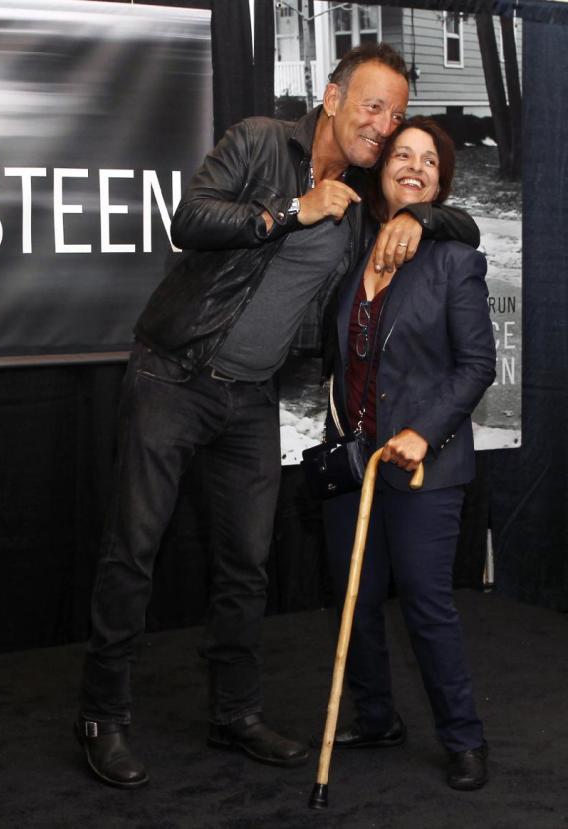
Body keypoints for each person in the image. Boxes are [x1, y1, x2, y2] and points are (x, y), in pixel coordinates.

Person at [75, 44, 480, 789]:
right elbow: (189, 218)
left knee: (246, 565)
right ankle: (103, 714)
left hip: (250, 399)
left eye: (394, 113)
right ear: (332, 99)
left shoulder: (363, 204)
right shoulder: (260, 140)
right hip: (174, 374)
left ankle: (234, 712)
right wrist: (291, 210)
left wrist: (423, 218)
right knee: (133, 549)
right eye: (373, 105)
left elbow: (465, 230)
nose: (384, 125)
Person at [318, 116, 495, 791]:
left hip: (425, 462)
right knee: (354, 596)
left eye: (429, 160)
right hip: (354, 458)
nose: (414, 166)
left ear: (440, 182)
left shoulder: (452, 256)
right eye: (402, 154)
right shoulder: (353, 248)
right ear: (382, 168)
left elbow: (477, 365)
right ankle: (375, 714)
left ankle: (463, 737)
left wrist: (426, 429)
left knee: (424, 600)